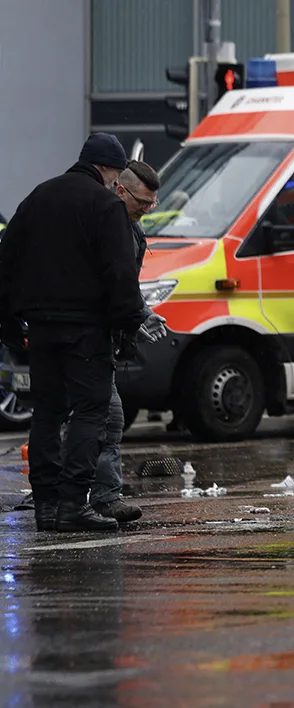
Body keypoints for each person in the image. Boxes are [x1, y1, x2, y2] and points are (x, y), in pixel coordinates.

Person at [0, 133, 147, 532]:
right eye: (115, 173)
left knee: (47, 412)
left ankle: (46, 506)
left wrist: (10, 324)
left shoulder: (38, 198)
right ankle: (72, 505)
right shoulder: (105, 205)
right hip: (86, 330)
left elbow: (5, 258)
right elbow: (119, 274)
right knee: (90, 411)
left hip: (41, 329)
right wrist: (129, 325)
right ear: (107, 168)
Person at [90, 160, 167, 523]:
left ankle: (76, 495)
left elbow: (126, 288)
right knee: (108, 417)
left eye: (153, 204)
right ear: (121, 190)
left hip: (98, 338)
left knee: (89, 419)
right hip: (87, 338)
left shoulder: (131, 230)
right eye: (143, 202)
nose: (147, 210)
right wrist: (135, 319)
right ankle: (102, 497)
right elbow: (109, 287)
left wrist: (143, 313)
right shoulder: (106, 226)